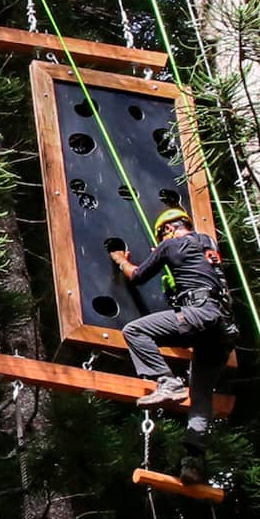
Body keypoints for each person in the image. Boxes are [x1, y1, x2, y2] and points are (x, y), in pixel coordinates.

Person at [109, 207, 237, 486]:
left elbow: (139, 276)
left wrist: (120, 259)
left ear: (167, 230)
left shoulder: (172, 244)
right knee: (201, 394)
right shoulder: (208, 245)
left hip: (200, 314)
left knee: (135, 330)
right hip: (223, 328)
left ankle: (166, 381)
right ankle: (194, 461)